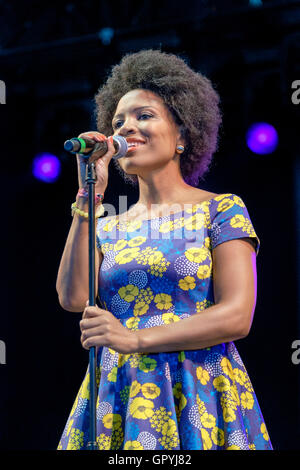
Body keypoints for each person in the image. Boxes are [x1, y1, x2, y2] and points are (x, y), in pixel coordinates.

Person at [56, 49, 273, 450]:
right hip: (121, 388)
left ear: (183, 136)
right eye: (118, 121)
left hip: (199, 384)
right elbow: (72, 297)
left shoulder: (220, 208)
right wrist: (90, 193)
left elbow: (237, 316)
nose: (127, 128)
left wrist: (135, 339)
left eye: (144, 116)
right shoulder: (108, 223)